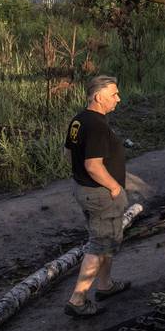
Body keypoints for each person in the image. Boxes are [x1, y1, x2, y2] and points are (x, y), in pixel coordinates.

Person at [63, 75, 130, 318]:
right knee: (100, 243)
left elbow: (69, 153)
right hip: (101, 195)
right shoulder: (97, 126)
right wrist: (114, 187)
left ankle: (105, 285)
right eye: (114, 94)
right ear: (99, 97)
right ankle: (78, 299)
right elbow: (93, 165)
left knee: (108, 239)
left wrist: (81, 177)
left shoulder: (79, 120)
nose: (118, 99)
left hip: (85, 191)